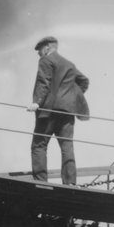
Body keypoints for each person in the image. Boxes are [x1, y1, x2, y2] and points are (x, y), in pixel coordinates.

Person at [27, 35, 89, 184]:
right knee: (67, 146)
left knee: (38, 145)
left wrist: (36, 102)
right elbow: (84, 81)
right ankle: (70, 183)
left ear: (47, 48)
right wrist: (70, 97)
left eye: (40, 50)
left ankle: (40, 181)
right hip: (67, 112)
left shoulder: (46, 60)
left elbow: (44, 82)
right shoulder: (69, 64)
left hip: (48, 111)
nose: (38, 53)